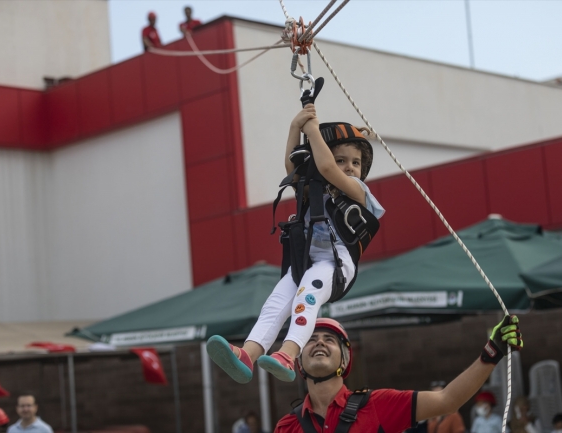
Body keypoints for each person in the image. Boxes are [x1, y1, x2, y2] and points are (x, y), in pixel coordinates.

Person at [206, 103, 384, 384]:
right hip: (306, 261)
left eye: (355, 162)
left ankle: (288, 354)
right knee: (274, 304)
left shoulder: (358, 191)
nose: (349, 167)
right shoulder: (314, 189)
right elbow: (293, 167)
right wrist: (294, 127)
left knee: (305, 298)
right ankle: (247, 355)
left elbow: (324, 165)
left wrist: (311, 129)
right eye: (341, 160)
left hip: (334, 265)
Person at [273, 316, 522, 432]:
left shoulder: (378, 404)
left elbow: (448, 400)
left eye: (329, 339)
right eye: (310, 340)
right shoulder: (288, 427)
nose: (319, 343)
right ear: (299, 363)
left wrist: (492, 353)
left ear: (345, 359)